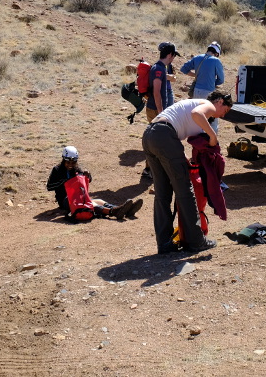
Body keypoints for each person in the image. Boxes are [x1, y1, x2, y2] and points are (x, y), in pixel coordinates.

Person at [141, 91, 234, 254]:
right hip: (163, 135)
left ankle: (164, 243)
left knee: (163, 193)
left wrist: (182, 157)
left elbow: (178, 131)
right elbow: (196, 114)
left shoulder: (196, 111)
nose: (222, 116)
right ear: (219, 102)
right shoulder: (208, 106)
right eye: (225, 111)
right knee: (185, 191)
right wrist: (213, 137)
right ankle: (196, 242)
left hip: (150, 135)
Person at [46, 146, 143, 220]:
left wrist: (88, 176)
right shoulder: (57, 170)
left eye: (73, 162)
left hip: (79, 197)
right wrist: (64, 182)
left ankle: (125, 210)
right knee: (90, 204)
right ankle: (113, 211)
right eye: (68, 162)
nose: (70, 165)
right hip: (65, 200)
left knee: (99, 200)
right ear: (63, 160)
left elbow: (86, 181)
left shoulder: (77, 169)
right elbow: (49, 186)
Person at [142, 41, 180, 180]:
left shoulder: (159, 67)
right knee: (156, 141)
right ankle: (150, 169)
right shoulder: (159, 69)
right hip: (156, 109)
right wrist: (161, 112)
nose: (173, 59)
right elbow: (157, 92)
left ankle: (150, 169)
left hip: (154, 108)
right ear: (169, 54)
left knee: (154, 140)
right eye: (174, 55)